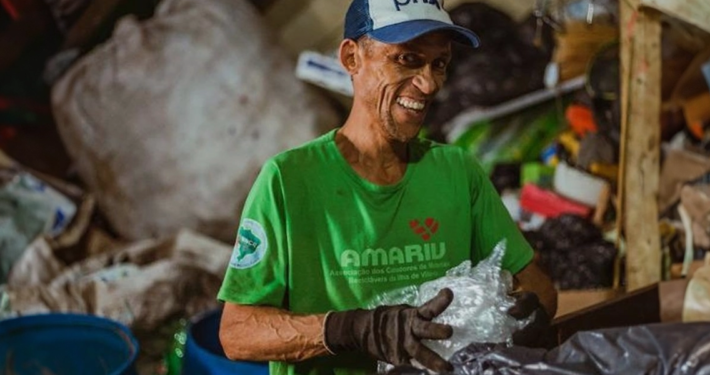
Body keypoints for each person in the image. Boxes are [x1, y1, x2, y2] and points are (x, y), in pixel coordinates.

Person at [217, 0, 558, 374]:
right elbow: (237, 333)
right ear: (351, 58)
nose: (429, 84)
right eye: (407, 59)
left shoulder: (457, 171)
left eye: (439, 64)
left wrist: (527, 313)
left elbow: (538, 288)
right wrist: (350, 328)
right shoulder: (288, 180)